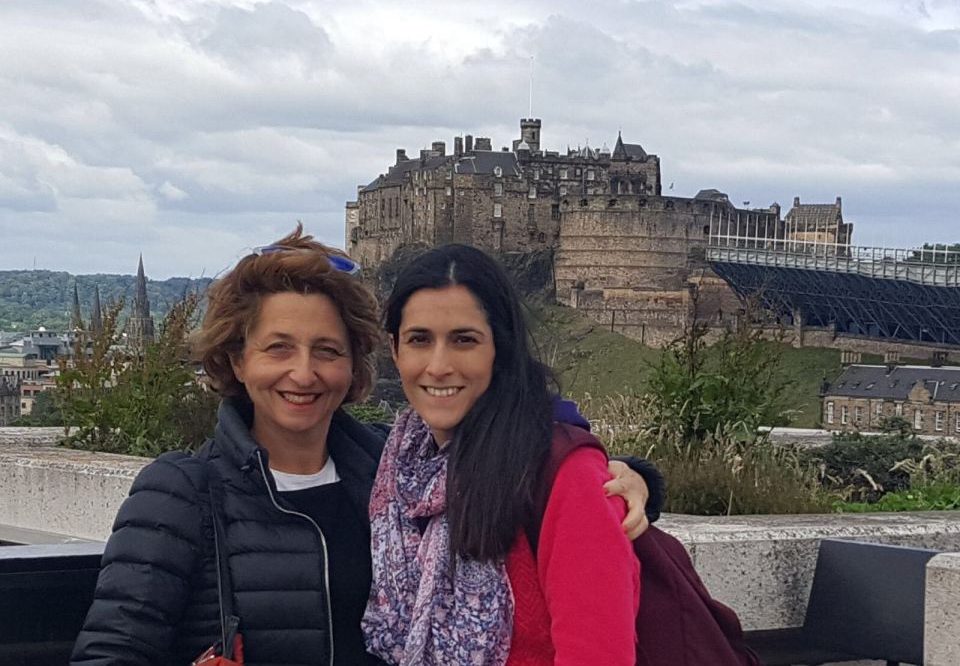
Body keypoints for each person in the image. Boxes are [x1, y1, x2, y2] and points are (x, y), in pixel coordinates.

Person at [71, 227, 656, 666]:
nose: (304, 373)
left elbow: (531, 463)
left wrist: (631, 479)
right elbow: (112, 653)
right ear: (237, 360)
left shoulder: (393, 473)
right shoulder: (179, 492)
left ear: (355, 365)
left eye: (327, 350)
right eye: (278, 348)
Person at [363, 244, 641, 666]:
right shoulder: (398, 467)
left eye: (464, 340)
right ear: (394, 349)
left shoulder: (565, 474)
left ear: (500, 348)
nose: (438, 366)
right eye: (419, 340)